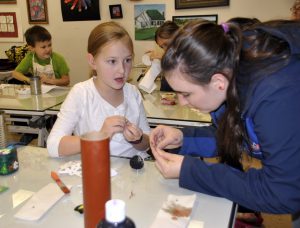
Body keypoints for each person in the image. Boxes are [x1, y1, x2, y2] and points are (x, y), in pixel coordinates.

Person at [149, 19, 300, 217]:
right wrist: (182, 137)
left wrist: (191, 171)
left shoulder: (275, 94)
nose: (182, 102)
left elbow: (282, 193)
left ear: (218, 82)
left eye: (185, 93)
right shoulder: (227, 76)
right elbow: (230, 134)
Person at [47, 21, 150, 158]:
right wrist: (100, 136)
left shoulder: (133, 93)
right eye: (112, 61)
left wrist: (138, 139)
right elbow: (53, 146)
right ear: (92, 61)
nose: (122, 70)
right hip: (95, 170)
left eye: (127, 60)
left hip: (131, 174)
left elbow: (147, 144)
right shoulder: (81, 93)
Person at [145, 21, 179, 92]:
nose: (165, 49)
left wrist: (163, 57)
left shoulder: (190, 54)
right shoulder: (169, 58)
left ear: (178, 37)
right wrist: (154, 71)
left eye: (166, 44)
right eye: (161, 47)